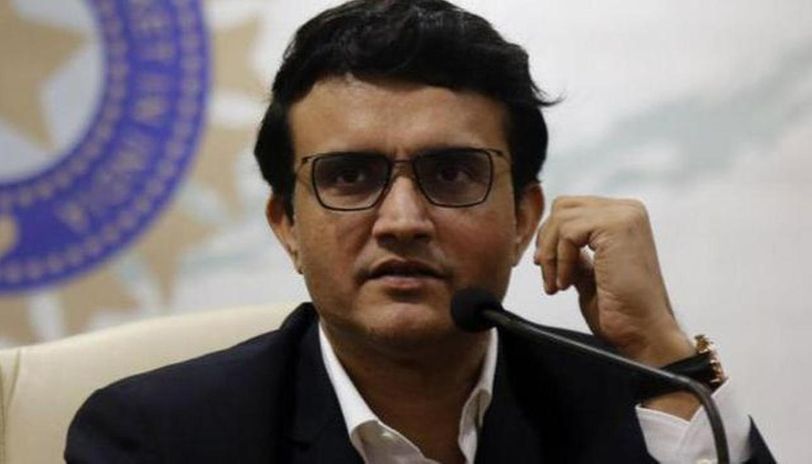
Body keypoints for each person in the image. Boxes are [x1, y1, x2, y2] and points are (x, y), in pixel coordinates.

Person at [65, 0, 774, 462]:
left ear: (523, 217)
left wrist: (662, 355)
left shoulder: (630, 404)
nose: (403, 221)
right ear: (287, 226)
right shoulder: (158, 438)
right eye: (350, 176)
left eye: (453, 173)